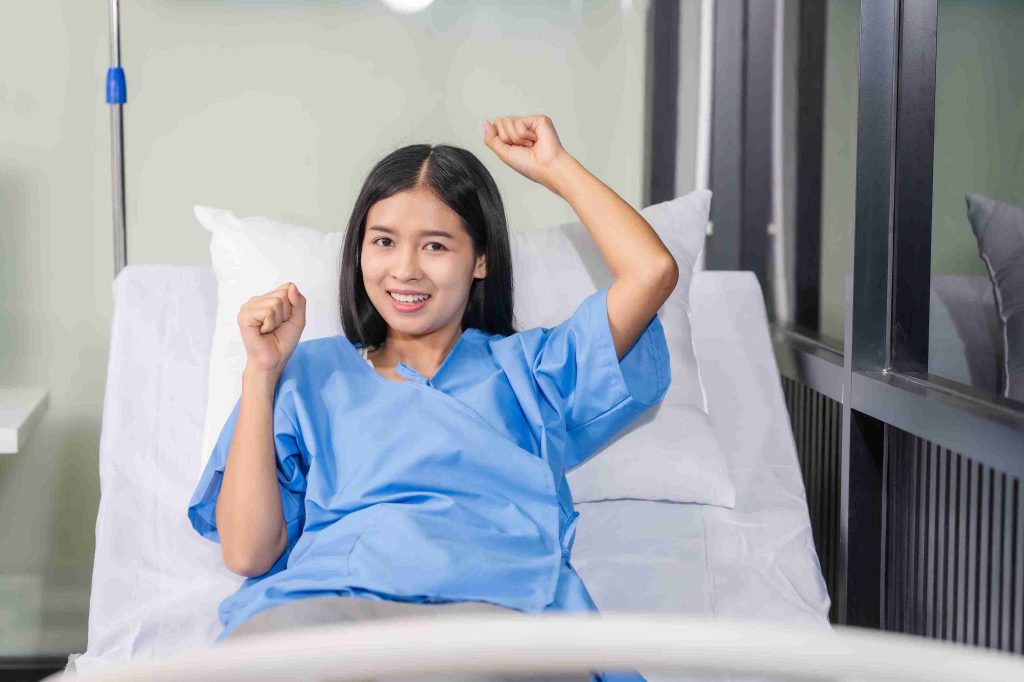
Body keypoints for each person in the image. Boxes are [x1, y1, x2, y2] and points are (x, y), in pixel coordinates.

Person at [187, 115, 677, 682]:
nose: (405, 269)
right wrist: (261, 372)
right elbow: (248, 554)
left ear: (481, 259)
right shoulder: (308, 375)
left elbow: (652, 270)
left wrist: (555, 169)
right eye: (384, 241)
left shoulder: (532, 371)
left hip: (497, 615)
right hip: (328, 612)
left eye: (436, 245)